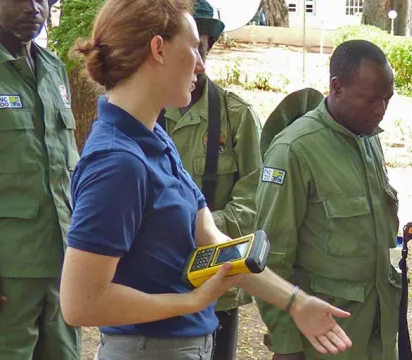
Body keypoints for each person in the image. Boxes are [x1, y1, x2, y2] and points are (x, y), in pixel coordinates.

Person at [60, 1, 351, 358]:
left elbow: (213, 242)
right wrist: (189, 301)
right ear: (158, 49)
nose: (201, 64)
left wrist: (295, 302)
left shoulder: (153, 138)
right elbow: (81, 304)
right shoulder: (118, 161)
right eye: (194, 48)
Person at [254, 39, 401, 360]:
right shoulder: (294, 150)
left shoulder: (367, 139)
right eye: (372, 100)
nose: (380, 110)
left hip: (376, 334)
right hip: (323, 339)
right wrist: (286, 344)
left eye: (387, 100)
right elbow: (270, 259)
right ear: (336, 87)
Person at [0, 0, 81, 358]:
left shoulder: (54, 69)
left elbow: (65, 168)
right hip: (2, 267)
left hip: (61, 262)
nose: (33, 7)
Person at [158, 2, 263, 358]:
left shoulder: (236, 116)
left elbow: (252, 201)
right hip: (157, 279)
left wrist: (194, 229)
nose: (197, 61)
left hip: (216, 279)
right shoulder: (146, 112)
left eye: (200, 48)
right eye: (187, 49)